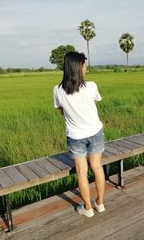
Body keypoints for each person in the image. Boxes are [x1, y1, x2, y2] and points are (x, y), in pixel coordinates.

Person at [53, 51, 105, 217]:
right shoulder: (91, 86)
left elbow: (62, 111)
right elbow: (94, 101)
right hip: (95, 132)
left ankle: (88, 208)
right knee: (97, 167)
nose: (86, 66)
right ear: (78, 67)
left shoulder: (58, 90)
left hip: (75, 136)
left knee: (82, 172)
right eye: (84, 64)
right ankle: (100, 203)